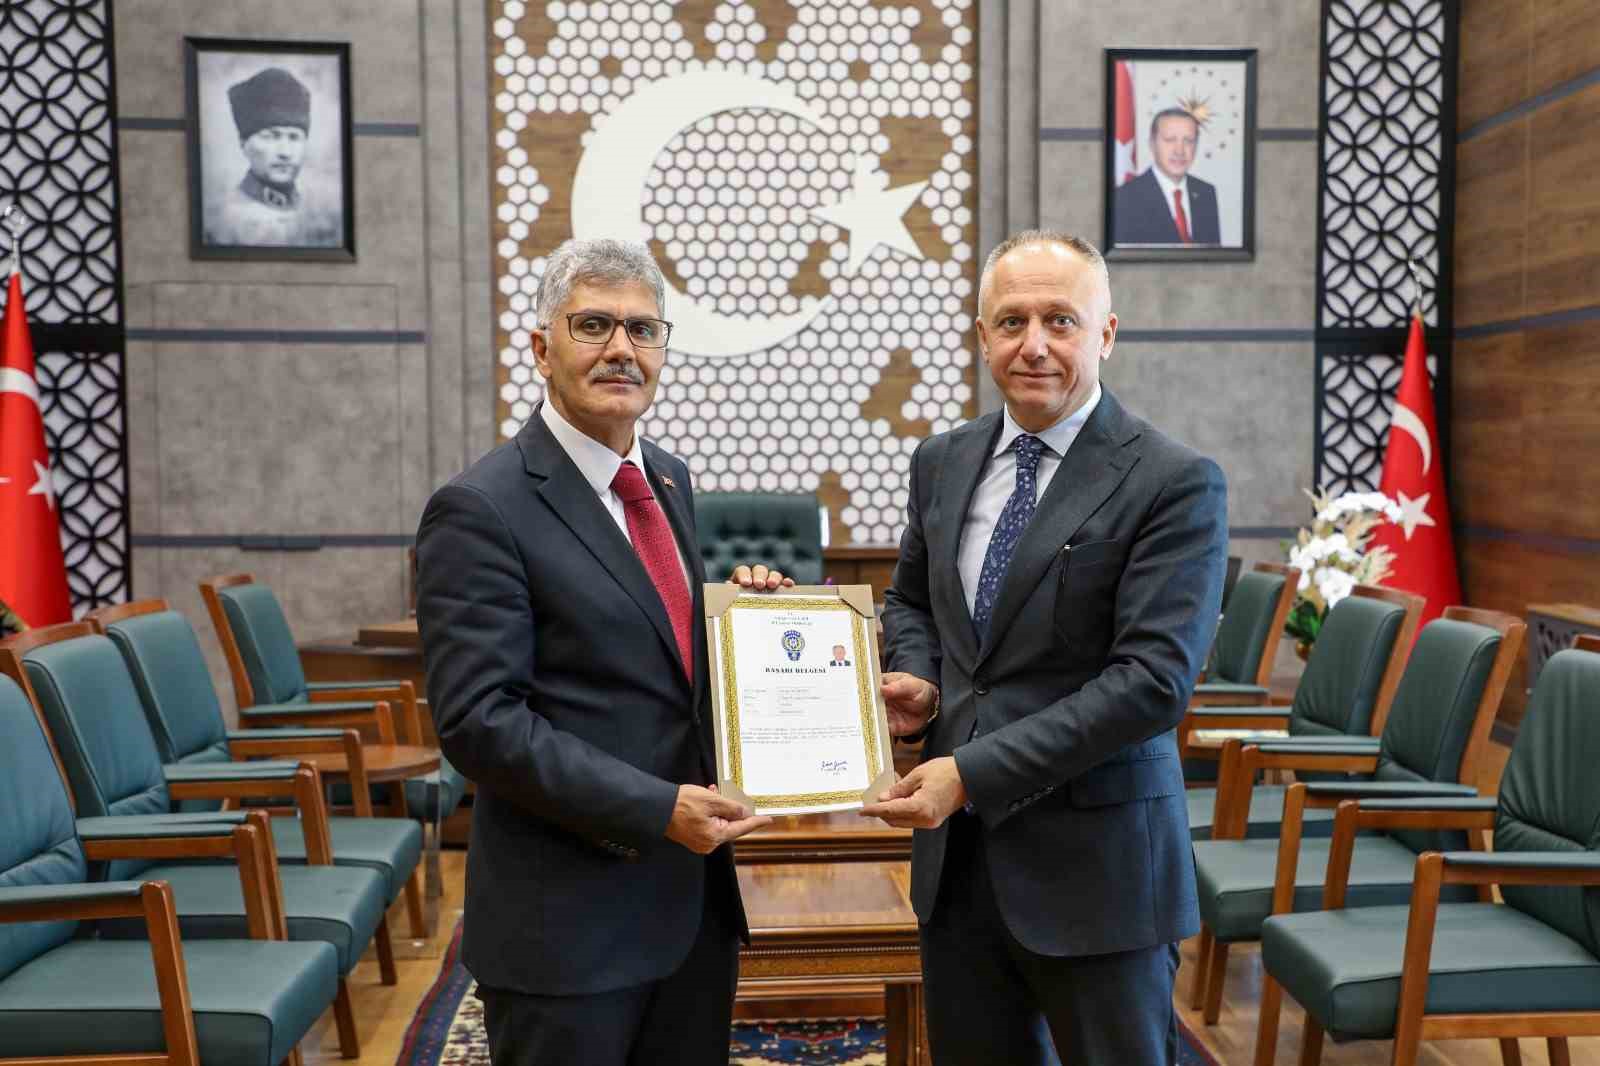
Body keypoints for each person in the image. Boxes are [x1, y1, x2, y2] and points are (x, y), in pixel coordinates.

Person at [415, 237, 793, 1066]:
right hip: (568, 928)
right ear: (543, 348)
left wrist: (745, 632)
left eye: (643, 330)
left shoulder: (665, 477)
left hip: (690, 912)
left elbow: (657, 664)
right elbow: (480, 724)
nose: (622, 349)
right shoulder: (481, 508)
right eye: (595, 325)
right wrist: (657, 809)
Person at [861, 230, 1227, 1064]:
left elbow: (1151, 685)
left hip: (1099, 876)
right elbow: (912, 600)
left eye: (1060, 320)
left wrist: (971, 773)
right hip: (957, 872)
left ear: (1105, 334)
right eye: (1012, 320)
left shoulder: (1172, 480)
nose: (1034, 345)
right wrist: (918, 677)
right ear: (983, 335)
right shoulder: (942, 461)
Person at [204, 66, 341, 248]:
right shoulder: (219, 223)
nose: (284, 152)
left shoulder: (325, 215)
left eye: (294, 137)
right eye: (271, 136)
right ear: (243, 143)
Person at [1112, 108, 1221, 246]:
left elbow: (1214, 259)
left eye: (1188, 141)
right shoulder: (1125, 198)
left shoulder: (1206, 192)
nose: (1179, 150)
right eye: (1170, 140)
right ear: (1152, 143)